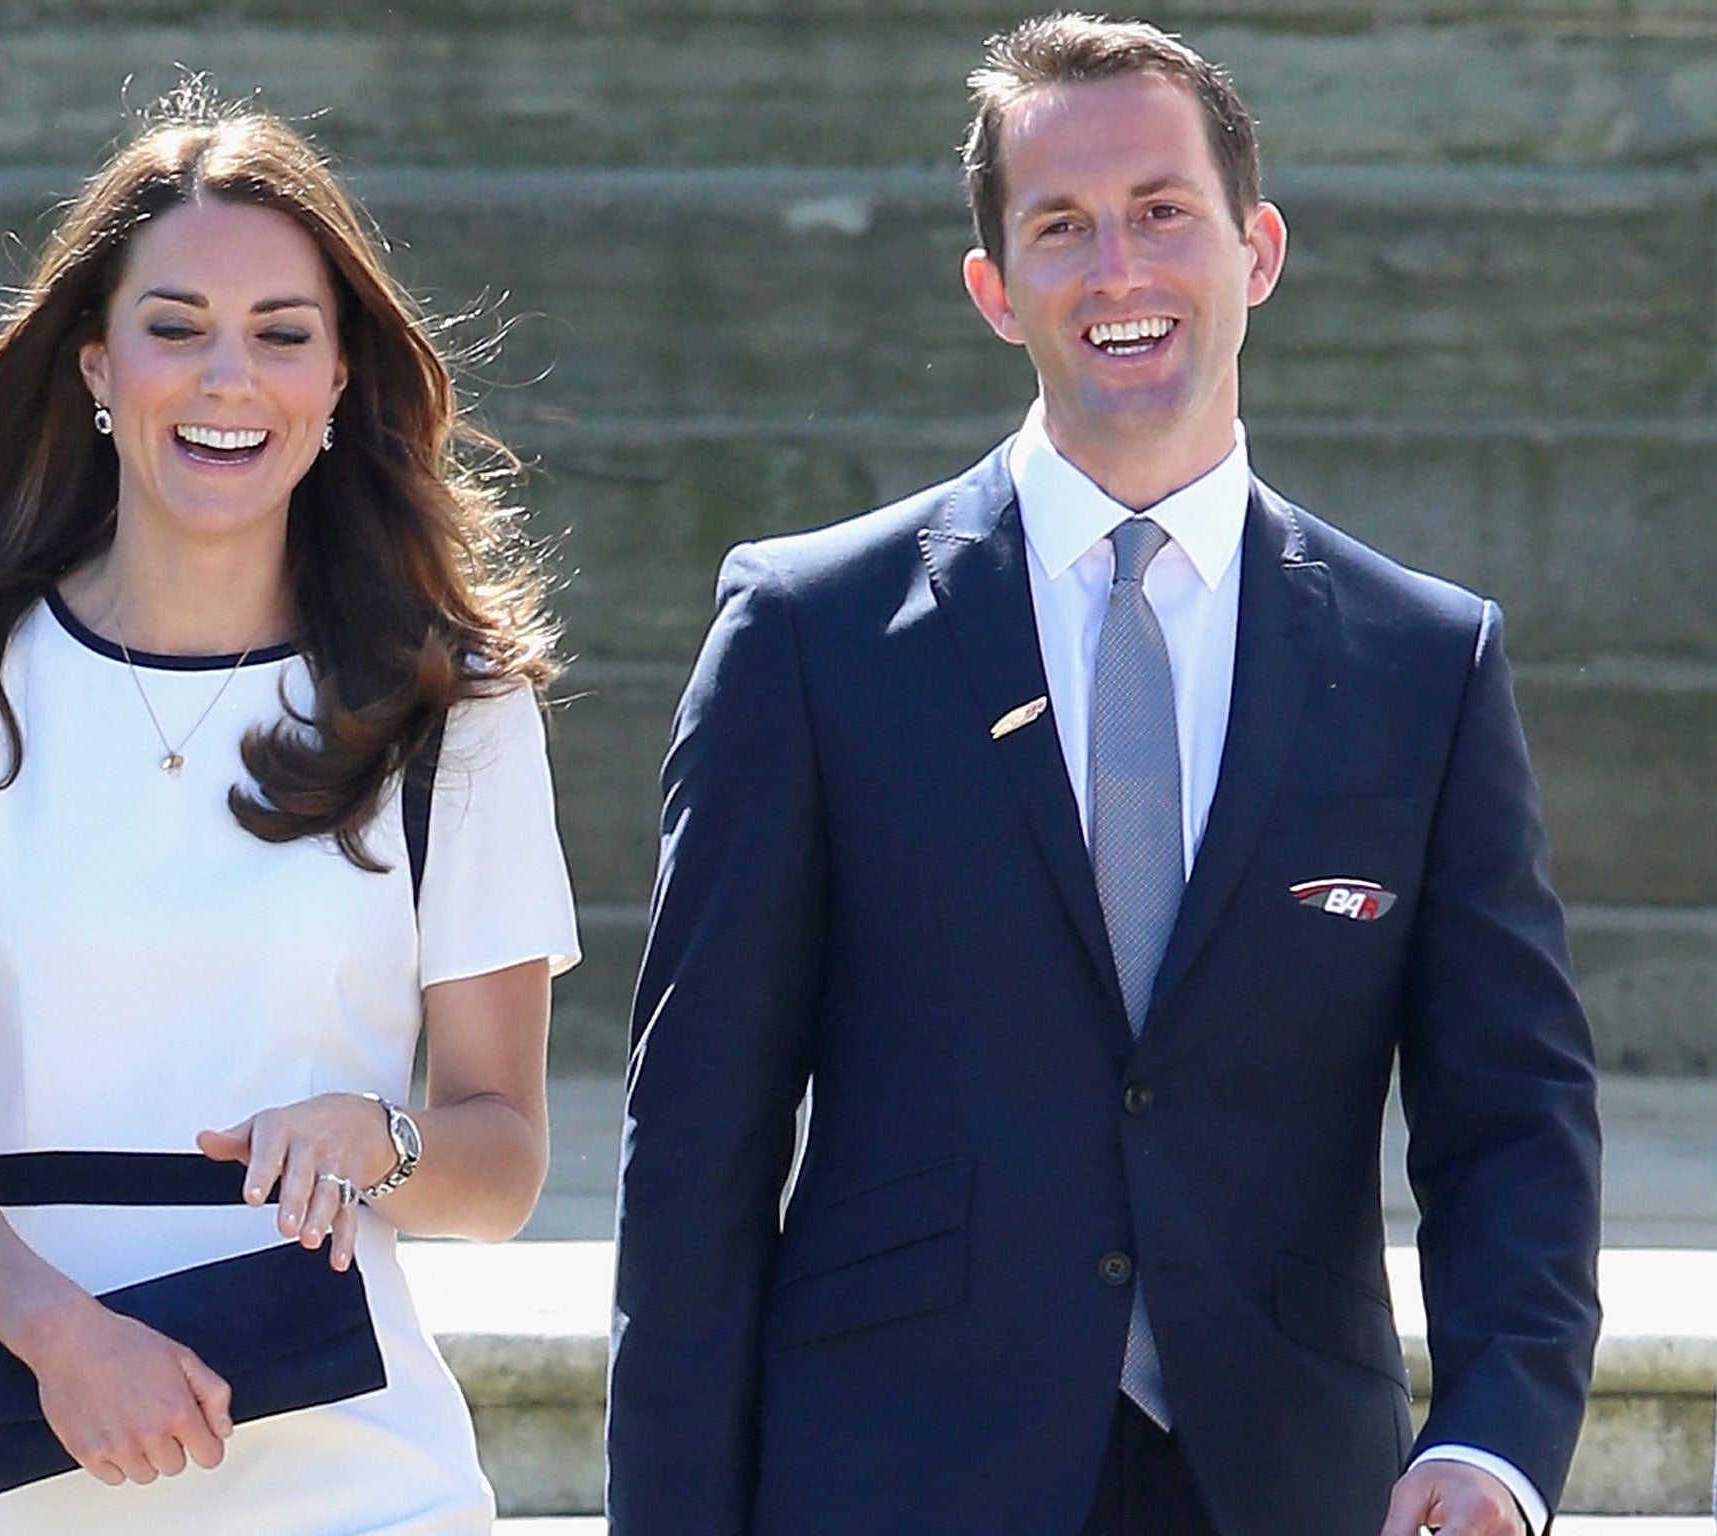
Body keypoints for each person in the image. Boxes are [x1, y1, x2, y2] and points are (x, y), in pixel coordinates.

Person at [607, 14, 1600, 1536]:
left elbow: (1513, 1115)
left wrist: (1495, 1444)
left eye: (1161, 213)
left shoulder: (1425, 665)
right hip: (896, 1478)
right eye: (1061, 227)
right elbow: (693, 1156)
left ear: (1257, 249)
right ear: (995, 291)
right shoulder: (812, 635)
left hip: (1288, 1481)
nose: (1117, 270)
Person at [0, 89, 579, 1534]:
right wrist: (62, 1337)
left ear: (338, 386)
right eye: (176, 324)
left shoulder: (454, 713)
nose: (228, 377)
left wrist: (379, 1139)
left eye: (281, 334)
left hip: (367, 1481)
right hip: (48, 1465)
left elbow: (500, 1161)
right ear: (96, 364)